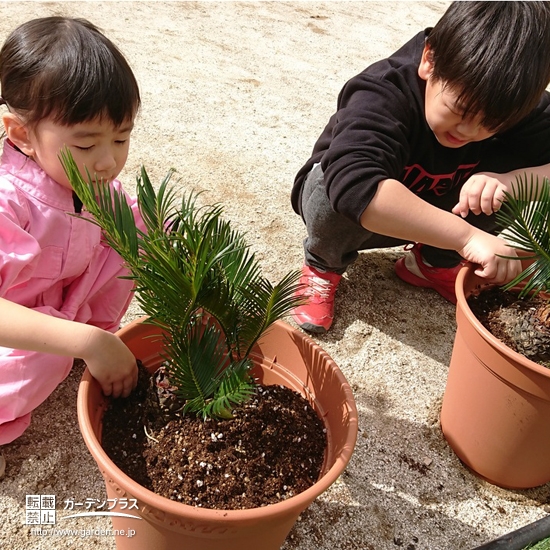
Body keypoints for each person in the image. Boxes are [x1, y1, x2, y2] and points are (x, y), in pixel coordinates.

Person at [291, 1, 550, 334]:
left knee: (496, 184)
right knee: (336, 186)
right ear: (430, 60)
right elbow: (356, 187)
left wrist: (509, 181)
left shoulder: (505, 97)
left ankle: (431, 264)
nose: (469, 131)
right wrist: (467, 238)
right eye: (459, 110)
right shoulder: (383, 90)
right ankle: (322, 264)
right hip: (356, 215)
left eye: (492, 124)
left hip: (435, 209)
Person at [0, 16, 143, 476]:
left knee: (135, 230)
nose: (108, 161)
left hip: (60, 304)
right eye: (86, 145)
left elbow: (125, 218)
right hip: (14, 325)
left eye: (121, 138)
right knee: (34, 365)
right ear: (21, 133)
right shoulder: (10, 200)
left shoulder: (87, 181)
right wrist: (86, 341)